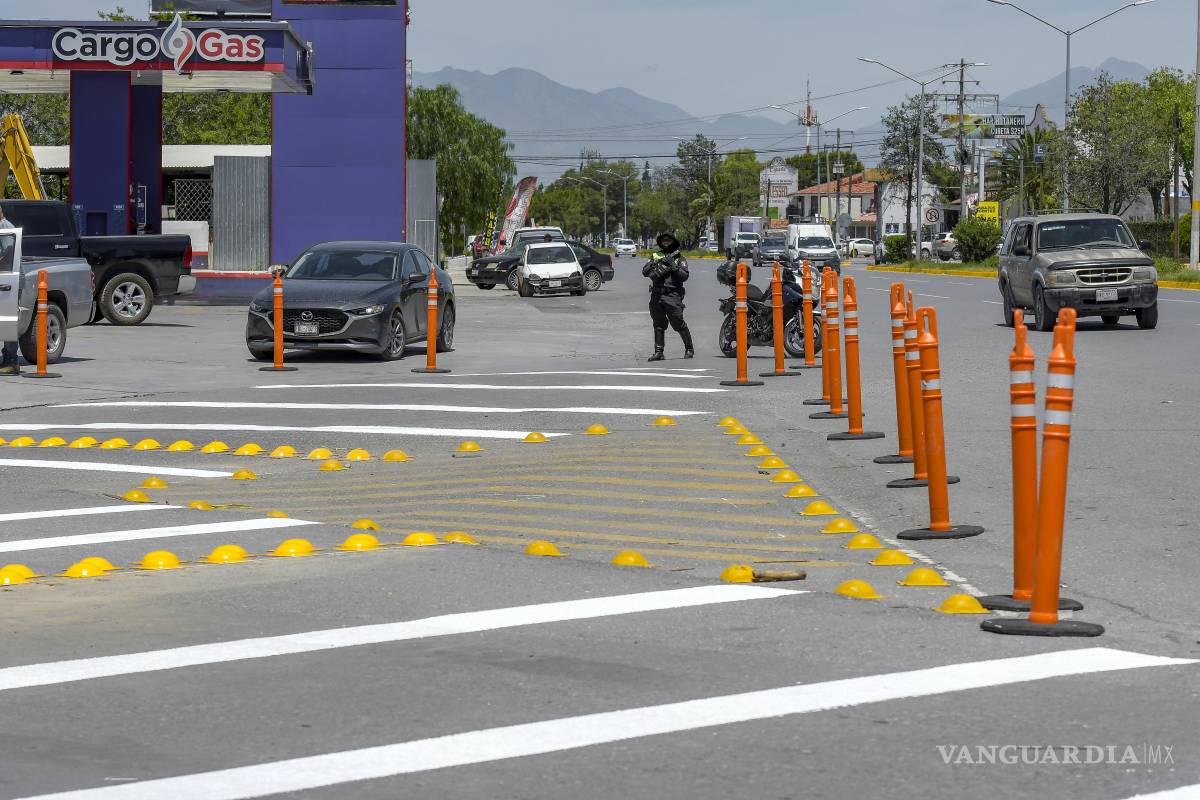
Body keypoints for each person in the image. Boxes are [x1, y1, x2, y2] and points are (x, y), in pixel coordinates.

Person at [642, 232, 693, 361]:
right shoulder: (655, 255)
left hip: (672, 294)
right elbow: (645, 271)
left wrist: (673, 266)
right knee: (658, 323)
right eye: (664, 241)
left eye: (668, 241)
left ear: (673, 242)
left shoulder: (679, 257)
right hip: (656, 294)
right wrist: (655, 263)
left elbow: (684, 276)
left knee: (678, 322)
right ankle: (659, 352)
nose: (666, 243)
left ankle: (689, 348)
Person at [0, 208, 16, 376]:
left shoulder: (5, 228)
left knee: (8, 321)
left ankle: (11, 361)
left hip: (8, 282)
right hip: (5, 279)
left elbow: (5, 254)